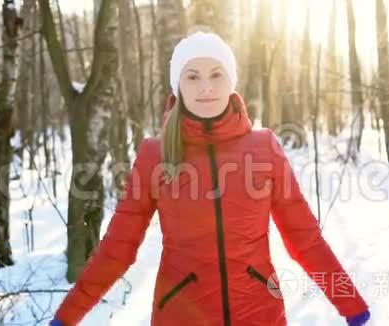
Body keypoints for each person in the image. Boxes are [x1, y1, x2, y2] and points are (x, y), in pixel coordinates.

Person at [50, 31, 371, 326]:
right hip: (180, 315)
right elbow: (117, 249)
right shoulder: (154, 156)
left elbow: (306, 239)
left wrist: (353, 307)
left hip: (261, 314)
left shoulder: (263, 148)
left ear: (231, 82)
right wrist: (66, 317)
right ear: (179, 86)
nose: (206, 87)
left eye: (216, 74)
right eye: (193, 76)